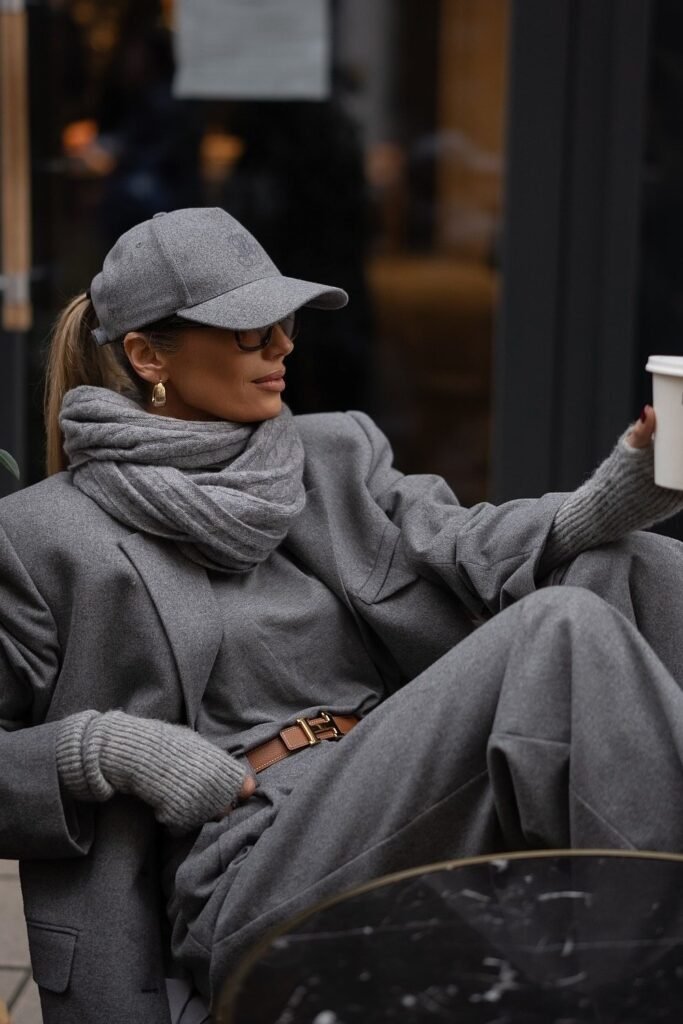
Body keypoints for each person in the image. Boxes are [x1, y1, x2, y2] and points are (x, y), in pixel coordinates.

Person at [3, 207, 683, 1024]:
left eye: (285, 324)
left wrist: (626, 486)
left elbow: (465, 543)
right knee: (558, 630)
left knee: (634, 563)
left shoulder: (331, 455)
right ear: (150, 355)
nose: (283, 347)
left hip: (402, 790)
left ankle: (643, 955)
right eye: (251, 332)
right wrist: (103, 750)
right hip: (253, 862)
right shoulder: (45, 535)